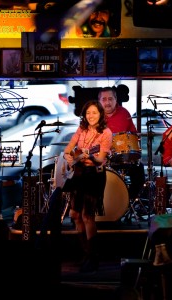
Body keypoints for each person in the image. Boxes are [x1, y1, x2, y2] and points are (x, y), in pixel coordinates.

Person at [63, 100, 112, 273]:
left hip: (94, 175)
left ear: (100, 114)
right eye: (88, 113)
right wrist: (71, 160)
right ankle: (85, 253)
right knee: (74, 214)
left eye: (94, 113)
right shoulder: (81, 130)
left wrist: (91, 157)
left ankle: (93, 257)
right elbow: (68, 150)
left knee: (87, 215)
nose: (91, 116)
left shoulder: (106, 133)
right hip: (79, 174)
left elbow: (101, 159)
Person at [98, 87, 146, 202]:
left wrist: (135, 137)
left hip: (122, 157)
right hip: (102, 158)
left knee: (139, 171)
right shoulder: (94, 116)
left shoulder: (124, 113)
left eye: (110, 99)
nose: (107, 102)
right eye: (104, 99)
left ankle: (126, 203)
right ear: (99, 101)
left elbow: (133, 134)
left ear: (116, 100)